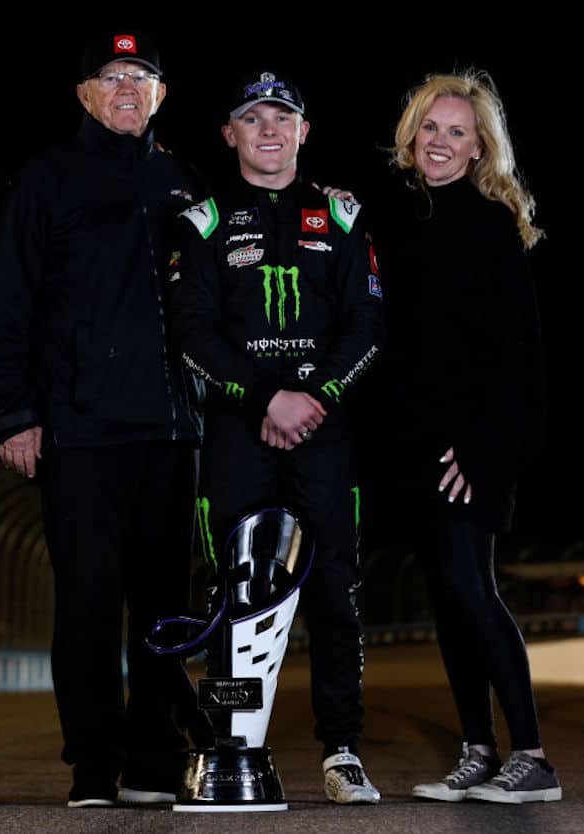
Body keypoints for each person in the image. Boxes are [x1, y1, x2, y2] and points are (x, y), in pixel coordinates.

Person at [0, 31, 205, 807]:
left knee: (167, 612)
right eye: (112, 77)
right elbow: (5, 303)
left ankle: (154, 763)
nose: (128, 88)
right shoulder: (45, 181)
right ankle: (93, 767)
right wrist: (13, 414)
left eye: (142, 75)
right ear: (84, 95)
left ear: (162, 94)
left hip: (173, 435)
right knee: (88, 608)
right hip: (79, 432)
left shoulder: (182, 182)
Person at [171, 69, 385, 805]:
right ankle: (231, 746)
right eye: (252, 118)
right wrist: (267, 396)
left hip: (324, 433)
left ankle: (343, 750)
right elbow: (190, 331)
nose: (268, 129)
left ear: (303, 131)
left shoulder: (344, 215)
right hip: (237, 432)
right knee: (234, 591)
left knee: (334, 592)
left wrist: (313, 398)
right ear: (229, 133)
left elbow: (368, 325)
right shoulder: (202, 221)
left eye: (282, 118)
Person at [371, 69, 560, 804]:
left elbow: (521, 359)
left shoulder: (487, 228)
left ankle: (534, 757)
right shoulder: (405, 220)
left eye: (457, 131)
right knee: (447, 598)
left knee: (471, 588)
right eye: (430, 128)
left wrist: (485, 452)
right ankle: (478, 749)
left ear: (481, 147)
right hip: (420, 446)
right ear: (411, 138)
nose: (440, 142)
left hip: (474, 451)